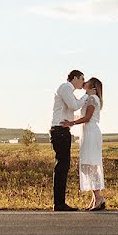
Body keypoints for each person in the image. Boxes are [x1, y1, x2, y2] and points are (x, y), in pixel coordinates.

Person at [64, 77, 105, 211]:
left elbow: (87, 118)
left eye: (86, 82)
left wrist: (72, 123)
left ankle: (98, 197)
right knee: (88, 165)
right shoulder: (90, 99)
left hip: (91, 132)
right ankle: (95, 198)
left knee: (91, 165)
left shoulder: (93, 99)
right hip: (87, 132)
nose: (84, 82)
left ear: (92, 86)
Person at [50, 70, 87, 211]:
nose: (83, 82)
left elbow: (71, 110)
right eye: (82, 79)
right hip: (59, 132)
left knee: (63, 167)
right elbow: (74, 105)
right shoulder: (65, 87)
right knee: (62, 167)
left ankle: (59, 203)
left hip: (62, 131)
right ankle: (59, 204)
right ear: (75, 78)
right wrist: (86, 95)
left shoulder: (67, 90)